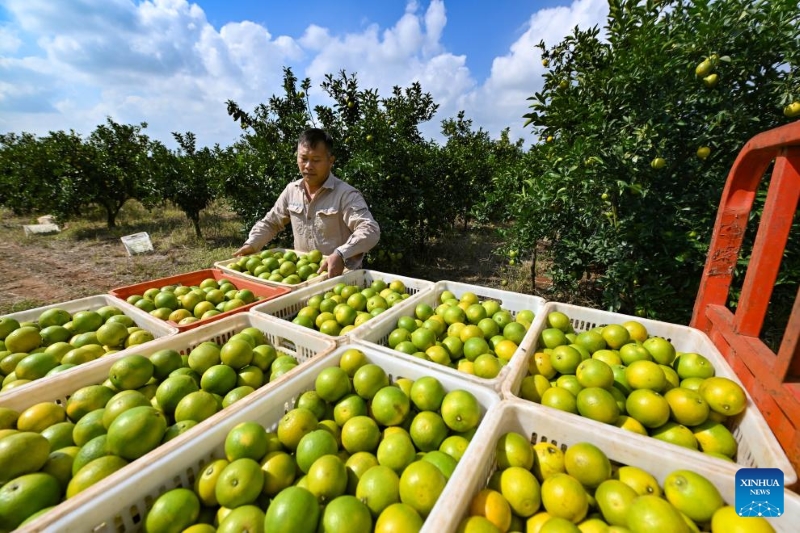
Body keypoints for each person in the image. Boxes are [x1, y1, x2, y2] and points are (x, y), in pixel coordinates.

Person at [233, 128, 380, 278]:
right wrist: (251, 244)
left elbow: (370, 229)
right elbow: (271, 222)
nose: (308, 166)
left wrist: (341, 253)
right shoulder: (292, 190)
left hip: (341, 278)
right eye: (303, 159)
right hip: (301, 277)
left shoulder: (345, 194)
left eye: (316, 160)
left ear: (331, 161)